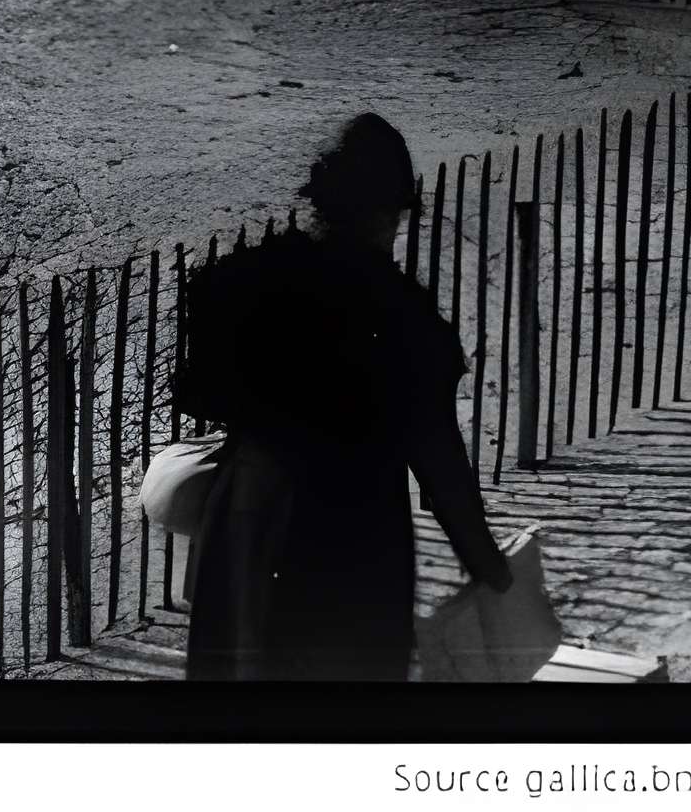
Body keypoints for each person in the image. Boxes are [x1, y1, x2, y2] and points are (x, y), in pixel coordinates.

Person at [170, 117, 515, 681]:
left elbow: (198, 392)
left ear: (319, 203)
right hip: (351, 533)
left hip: (248, 519)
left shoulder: (249, 280)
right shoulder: (404, 313)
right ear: (393, 213)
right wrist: (485, 561)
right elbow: (439, 459)